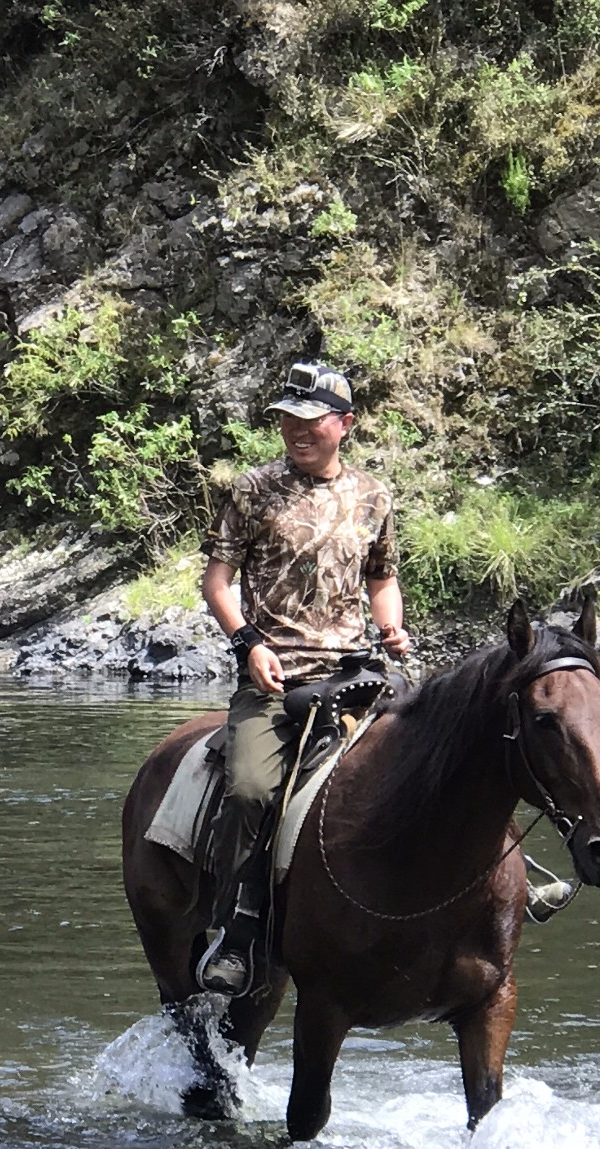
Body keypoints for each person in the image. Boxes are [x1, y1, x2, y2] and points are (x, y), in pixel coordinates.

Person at [195, 361, 414, 997]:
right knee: (250, 790)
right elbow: (217, 583)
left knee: (443, 745)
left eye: (310, 420)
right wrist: (248, 644)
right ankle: (235, 935)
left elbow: (382, 579)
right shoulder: (252, 488)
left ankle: (511, 876)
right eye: (288, 419)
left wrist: (391, 628)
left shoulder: (375, 495)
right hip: (274, 679)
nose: (296, 430)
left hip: (356, 670)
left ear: (343, 424)